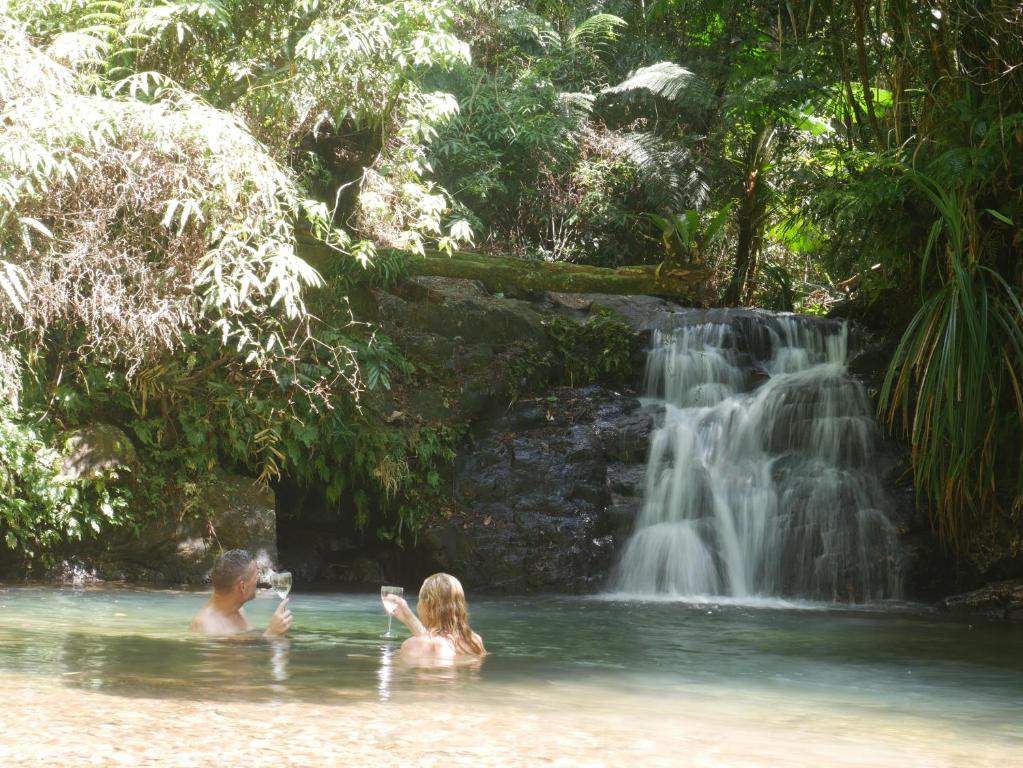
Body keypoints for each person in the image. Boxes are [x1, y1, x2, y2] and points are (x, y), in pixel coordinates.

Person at [189, 549, 292, 638]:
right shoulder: (207, 626)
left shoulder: (238, 610)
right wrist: (271, 634)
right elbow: (228, 659)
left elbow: (245, 641)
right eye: (256, 577)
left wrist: (276, 628)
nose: (259, 580)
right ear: (242, 586)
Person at [384, 573, 486, 660]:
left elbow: (393, 679)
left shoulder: (412, 645)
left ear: (425, 605)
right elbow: (433, 641)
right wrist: (408, 618)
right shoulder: (475, 642)